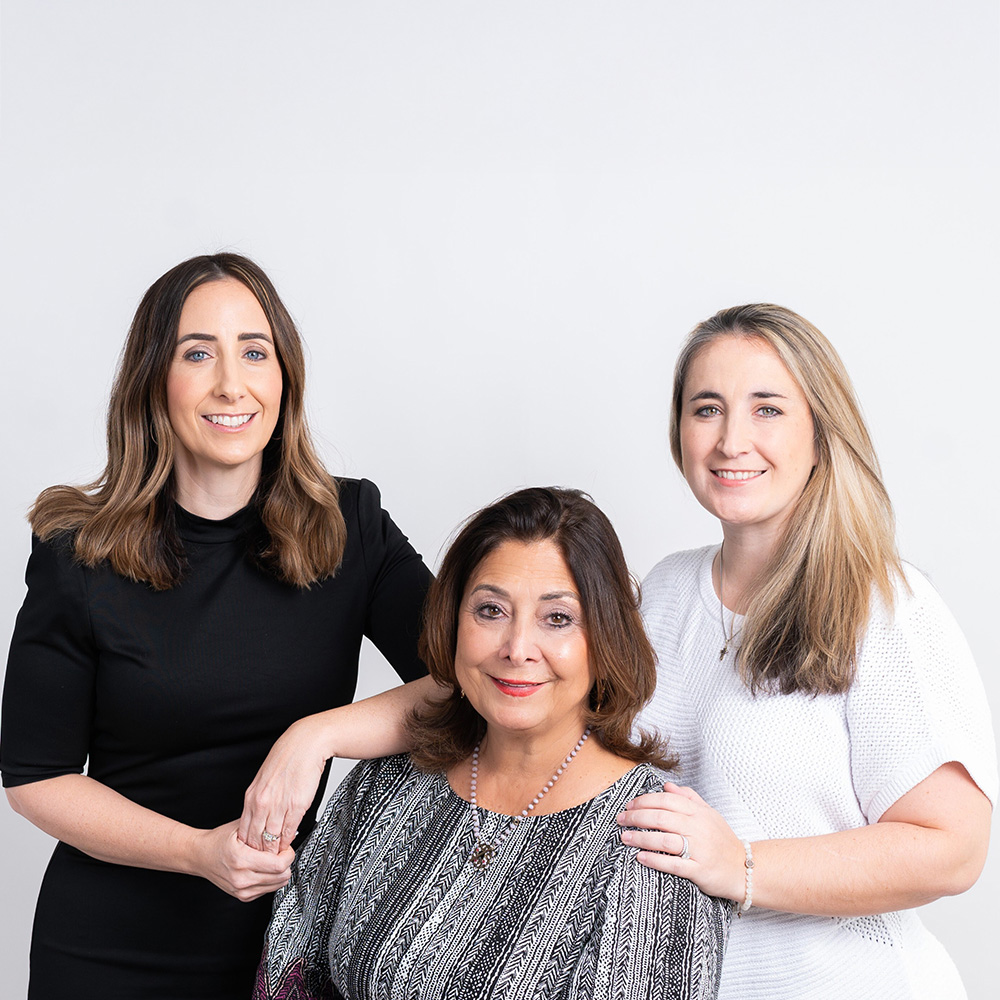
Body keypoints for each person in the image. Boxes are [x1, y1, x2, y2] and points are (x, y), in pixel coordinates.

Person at [0, 253, 433, 1000]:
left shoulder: (351, 524)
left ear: (283, 376)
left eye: (254, 352)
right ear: (153, 383)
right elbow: (36, 778)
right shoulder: (79, 552)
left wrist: (318, 734)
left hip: (288, 947)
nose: (231, 383)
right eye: (197, 353)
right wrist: (199, 852)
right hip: (107, 952)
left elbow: (468, 681)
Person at [617, 304, 997, 999]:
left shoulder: (883, 604)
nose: (732, 440)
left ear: (821, 434)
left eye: (768, 409)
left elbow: (954, 847)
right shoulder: (666, 590)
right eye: (707, 409)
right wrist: (345, 725)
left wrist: (744, 866)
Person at [253, 487, 729, 1000]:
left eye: (558, 618)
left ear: (606, 636)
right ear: (453, 619)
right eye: (490, 611)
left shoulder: (652, 847)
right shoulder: (381, 786)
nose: (517, 649)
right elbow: (290, 974)